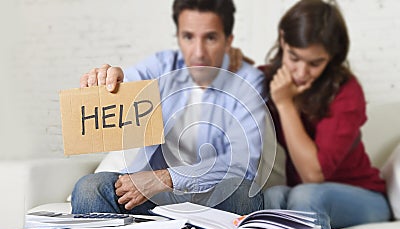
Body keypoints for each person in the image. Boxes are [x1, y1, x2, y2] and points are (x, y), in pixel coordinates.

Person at [71, 0, 266, 216]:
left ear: (228, 41)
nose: (199, 52)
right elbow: (127, 84)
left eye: (210, 38)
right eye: (188, 37)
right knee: (90, 188)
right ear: (179, 37)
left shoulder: (248, 81)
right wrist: (109, 81)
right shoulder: (163, 65)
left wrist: (164, 178)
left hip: (210, 197)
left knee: (244, 194)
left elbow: (242, 164)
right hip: (147, 195)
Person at [260, 0, 391, 229]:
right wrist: (232, 59)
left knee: (306, 194)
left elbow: (312, 175)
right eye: (294, 57)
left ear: (332, 57)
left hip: (364, 197)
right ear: (283, 40)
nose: (300, 72)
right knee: (273, 196)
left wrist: (285, 104)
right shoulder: (272, 79)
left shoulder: (347, 91)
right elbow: (230, 79)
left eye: (315, 63)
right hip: (308, 193)